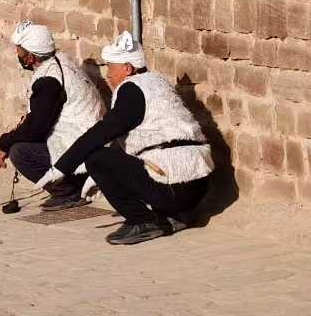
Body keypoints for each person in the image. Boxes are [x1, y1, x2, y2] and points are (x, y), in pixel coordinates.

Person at [41, 32, 213, 246]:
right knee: (114, 161)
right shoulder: (158, 82)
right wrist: (97, 179)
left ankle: (143, 221)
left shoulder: (132, 89)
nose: (109, 76)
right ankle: (178, 215)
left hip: (173, 184)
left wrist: (62, 167)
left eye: (111, 68)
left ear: (128, 68)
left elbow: (102, 132)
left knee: (97, 159)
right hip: (197, 182)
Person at [0, 21, 104, 211]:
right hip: (87, 140)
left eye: (20, 52)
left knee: (19, 152)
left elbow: (36, 130)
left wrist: (5, 143)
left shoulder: (49, 80)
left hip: (84, 148)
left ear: (30, 57)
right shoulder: (59, 64)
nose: (18, 55)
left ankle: (69, 192)